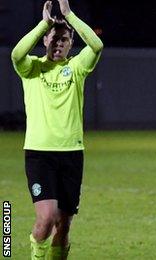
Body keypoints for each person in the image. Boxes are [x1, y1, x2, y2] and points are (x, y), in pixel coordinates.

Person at [11, 0, 103, 259]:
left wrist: (68, 15)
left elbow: (96, 45)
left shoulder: (76, 68)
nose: (58, 43)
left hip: (72, 154)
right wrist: (44, 25)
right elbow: (16, 54)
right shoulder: (32, 69)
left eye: (64, 40)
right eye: (54, 38)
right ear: (45, 40)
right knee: (46, 219)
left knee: (63, 226)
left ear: (71, 44)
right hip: (40, 153)